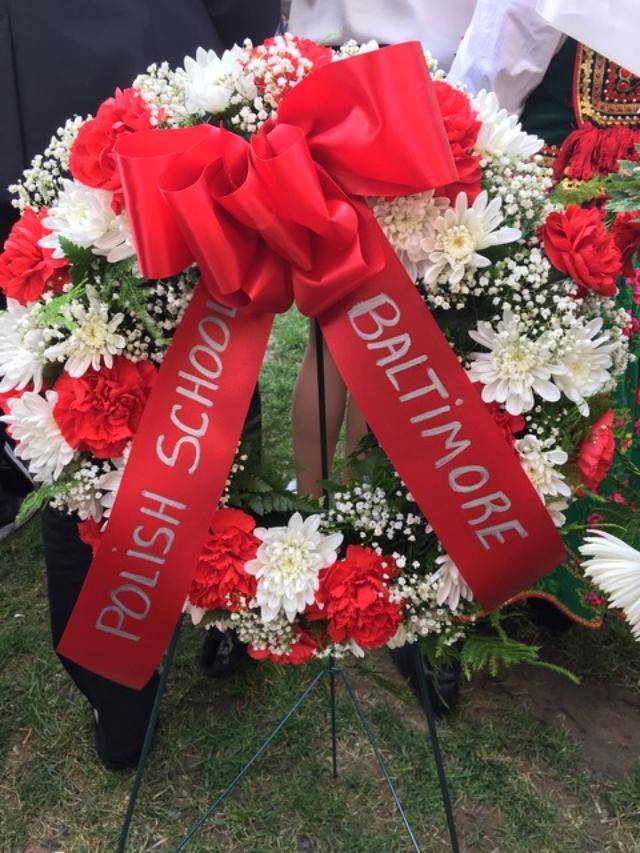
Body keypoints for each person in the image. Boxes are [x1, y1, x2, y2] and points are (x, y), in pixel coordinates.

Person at [0, 0, 280, 769]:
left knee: (83, 397)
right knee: (206, 353)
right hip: (172, 68)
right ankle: (226, 614)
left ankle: (120, 694)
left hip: (40, 77)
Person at [449, 0, 640, 630]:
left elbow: (494, 69)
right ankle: (484, 569)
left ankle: (581, 566)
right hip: (566, 204)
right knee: (523, 374)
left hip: (593, 210)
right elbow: (495, 70)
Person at [288, 0, 476, 496]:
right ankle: (360, 498)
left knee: (329, 337)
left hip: (323, 76)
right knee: (386, 328)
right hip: (411, 86)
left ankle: (311, 494)